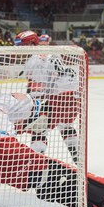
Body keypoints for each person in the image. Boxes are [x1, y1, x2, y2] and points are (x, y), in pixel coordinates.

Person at [18, 30, 81, 164]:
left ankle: (36, 161)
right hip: (72, 92)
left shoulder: (33, 60)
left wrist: (33, 102)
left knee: (39, 129)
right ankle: (78, 157)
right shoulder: (53, 52)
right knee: (66, 126)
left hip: (56, 94)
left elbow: (37, 87)